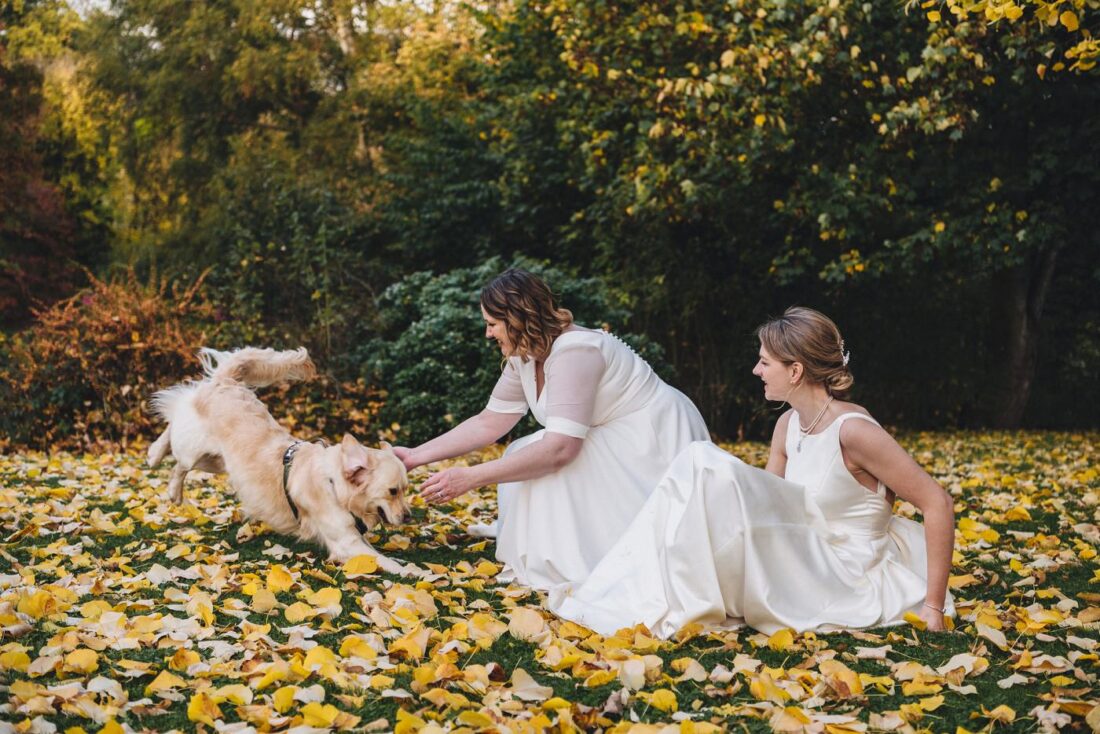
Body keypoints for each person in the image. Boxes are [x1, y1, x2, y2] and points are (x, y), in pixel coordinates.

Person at [548, 306, 956, 636]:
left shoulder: (854, 432)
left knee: (701, 462)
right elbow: (769, 504)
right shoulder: (787, 425)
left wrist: (933, 607)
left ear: (795, 371)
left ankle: (654, 593)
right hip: (802, 554)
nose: (756, 371)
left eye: (765, 362)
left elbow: (936, 502)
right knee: (699, 468)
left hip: (847, 570)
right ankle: (640, 592)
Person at [392, 268, 710, 590]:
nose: (487, 334)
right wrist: (414, 456)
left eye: (492, 324)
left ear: (516, 318)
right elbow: (489, 422)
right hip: (609, 432)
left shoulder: (575, 352)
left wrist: (471, 477)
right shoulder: (526, 354)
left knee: (542, 456)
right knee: (525, 451)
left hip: (650, 435)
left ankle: (576, 558)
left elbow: (561, 450)